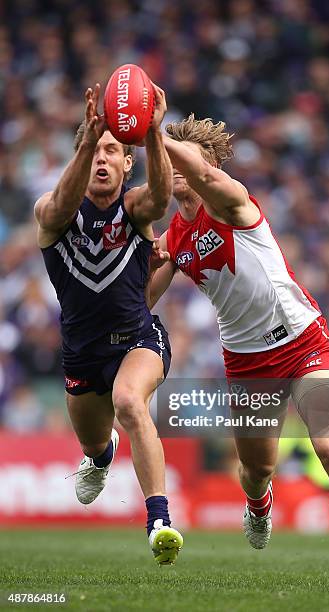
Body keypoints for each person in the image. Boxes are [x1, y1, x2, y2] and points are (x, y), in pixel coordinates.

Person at [147, 114, 329, 586]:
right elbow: (143, 302)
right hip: (246, 362)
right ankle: (259, 505)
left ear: (212, 166)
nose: (176, 166)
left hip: (303, 342)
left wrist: (151, 131)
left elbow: (201, 177)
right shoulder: (173, 239)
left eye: (187, 158)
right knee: (257, 469)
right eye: (168, 158)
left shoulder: (230, 201)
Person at [34, 83, 183, 566]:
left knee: (128, 401)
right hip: (82, 353)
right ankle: (99, 458)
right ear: (80, 155)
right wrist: (88, 138)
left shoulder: (136, 208)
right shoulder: (52, 213)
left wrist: (154, 131)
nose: (102, 158)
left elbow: (161, 198)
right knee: (95, 442)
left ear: (126, 165)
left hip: (137, 340)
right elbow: (57, 208)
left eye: (112, 150)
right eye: (94, 149)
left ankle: (159, 521)